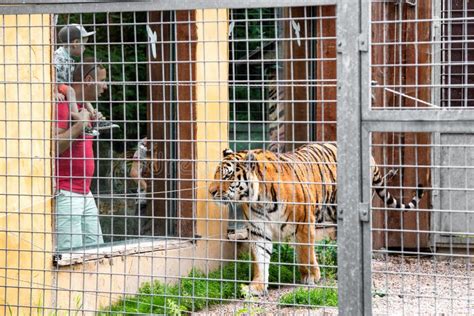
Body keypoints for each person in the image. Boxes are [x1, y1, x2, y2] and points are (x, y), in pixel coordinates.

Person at [54, 57, 108, 251]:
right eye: (101, 80)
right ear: (88, 79)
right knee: (70, 256)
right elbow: (53, 147)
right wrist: (80, 125)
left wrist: (90, 122)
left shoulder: (83, 107)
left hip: (85, 192)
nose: (105, 86)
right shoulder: (61, 105)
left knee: (96, 251)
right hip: (66, 193)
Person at [54, 23, 118, 136]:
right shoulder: (58, 56)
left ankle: (96, 119)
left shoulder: (68, 58)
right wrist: (54, 91)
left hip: (65, 85)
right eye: (83, 45)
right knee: (70, 91)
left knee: (83, 97)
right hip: (59, 84)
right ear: (75, 43)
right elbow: (52, 73)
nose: (85, 47)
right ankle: (78, 121)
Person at [129, 137, 148, 207]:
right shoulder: (143, 144)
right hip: (144, 199)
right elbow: (134, 172)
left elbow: (134, 173)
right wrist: (148, 188)